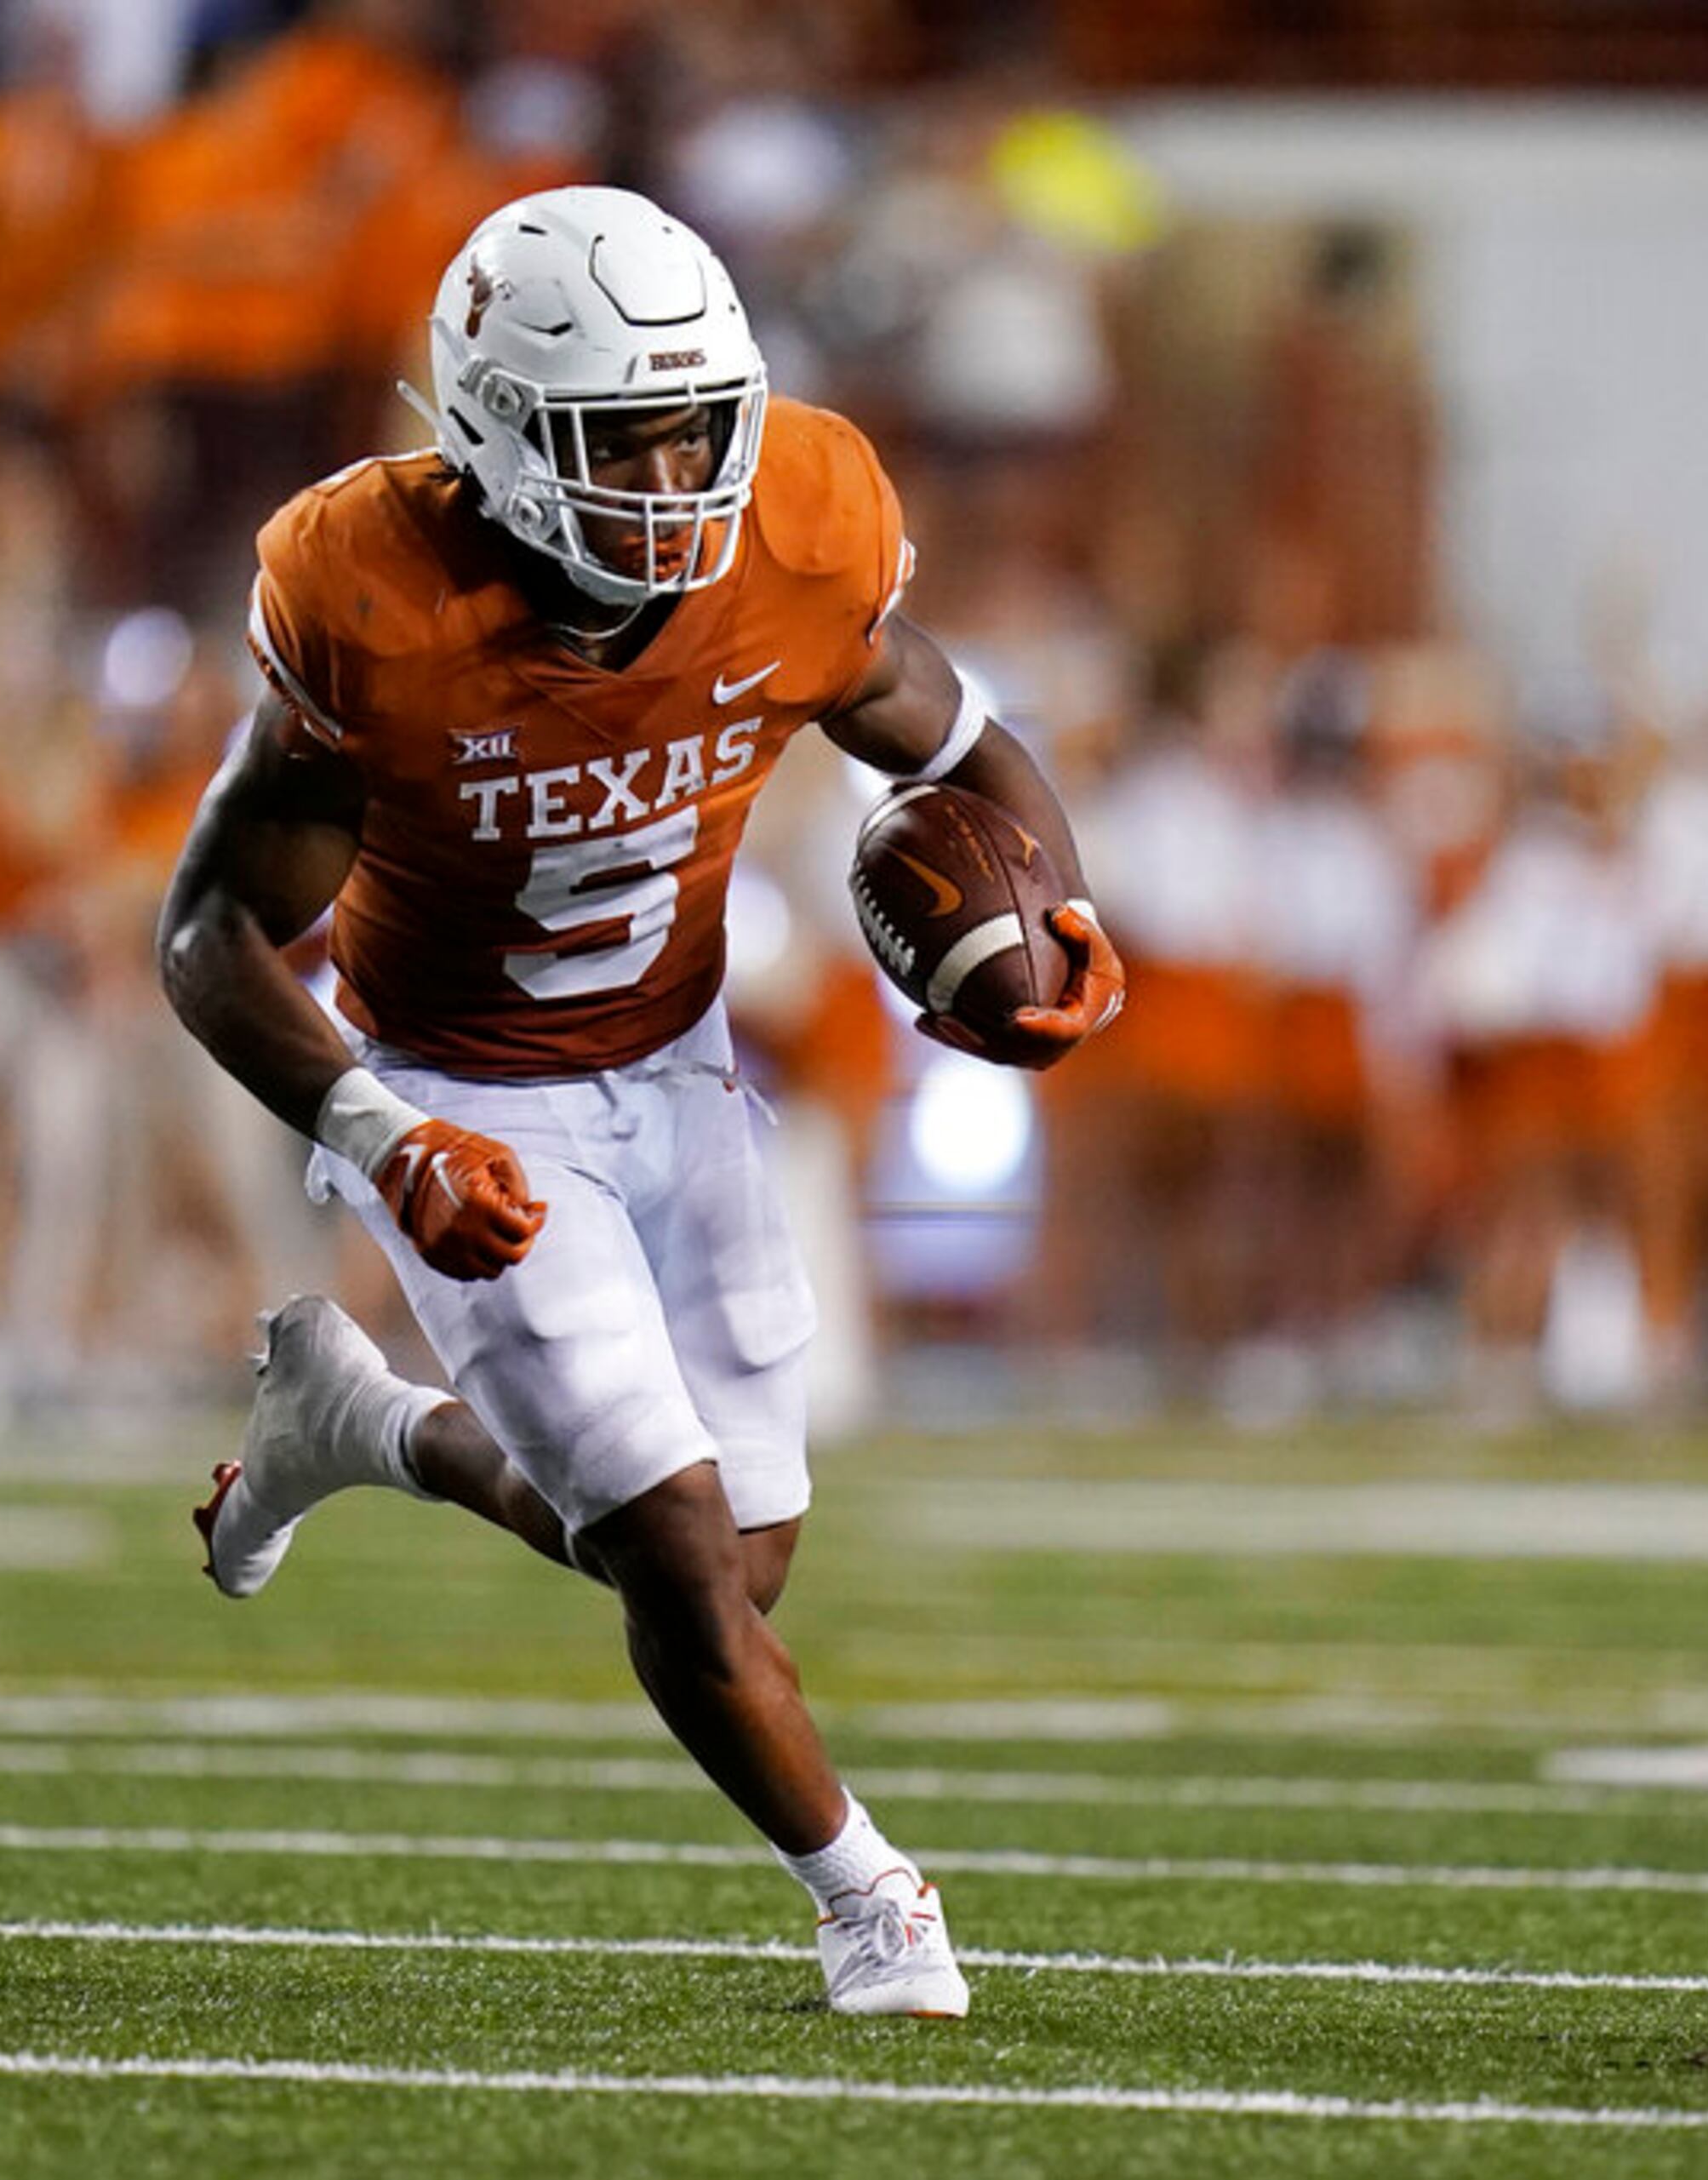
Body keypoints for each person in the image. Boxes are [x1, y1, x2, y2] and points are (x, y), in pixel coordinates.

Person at [157, 185, 1122, 2018]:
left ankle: (364, 1430)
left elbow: (957, 735)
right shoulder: (371, 594)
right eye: (627, 437)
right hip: (465, 1097)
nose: (680, 475)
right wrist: (382, 1138)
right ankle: (872, 1900)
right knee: (672, 1551)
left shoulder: (803, 530)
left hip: (681, 1073)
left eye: (703, 424)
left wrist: (1050, 901)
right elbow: (212, 932)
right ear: (501, 437)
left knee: (736, 1563)